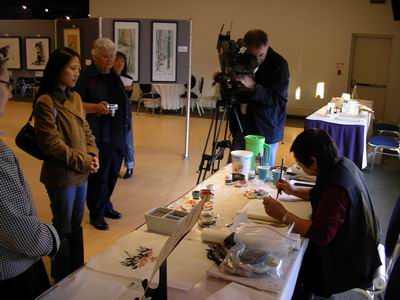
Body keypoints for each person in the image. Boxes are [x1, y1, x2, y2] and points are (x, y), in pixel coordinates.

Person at [263, 128, 381, 298]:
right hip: (361, 246)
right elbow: (321, 193)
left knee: (290, 260)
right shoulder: (343, 164)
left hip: (347, 263)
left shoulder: (336, 188)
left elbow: (321, 234)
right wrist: (293, 190)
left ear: (313, 161)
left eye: (299, 163)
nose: (298, 166)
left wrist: (283, 214)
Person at [34, 47, 99, 281]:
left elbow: (86, 130)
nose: (76, 73)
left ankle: (75, 267)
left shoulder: (76, 97)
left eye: (79, 69)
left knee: (76, 222)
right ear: (57, 69)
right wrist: (84, 160)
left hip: (80, 173)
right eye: (72, 68)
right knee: (62, 224)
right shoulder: (45, 101)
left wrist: (93, 153)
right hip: (61, 176)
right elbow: (51, 144)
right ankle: (61, 275)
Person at [0, 46, 60, 299]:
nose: (10, 93)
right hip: (12, 276)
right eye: (6, 83)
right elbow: (20, 232)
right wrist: (51, 238)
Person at [76, 38, 130, 230]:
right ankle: (96, 213)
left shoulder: (114, 76)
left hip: (117, 134)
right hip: (97, 135)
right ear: (95, 56)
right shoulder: (86, 77)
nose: (109, 60)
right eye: (105, 57)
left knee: (113, 173)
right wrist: (96, 108)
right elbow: (75, 105)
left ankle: (106, 205)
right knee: (99, 177)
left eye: (112, 56)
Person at [231, 29, 289, 166]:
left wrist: (254, 86)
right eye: (253, 55)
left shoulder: (279, 64)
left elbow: (278, 100)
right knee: (238, 171)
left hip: (266, 128)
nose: (257, 59)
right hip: (242, 125)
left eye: (261, 55)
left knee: (262, 175)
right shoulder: (242, 59)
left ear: (267, 45)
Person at [113, 51, 135, 179]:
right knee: (115, 142)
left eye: (122, 61)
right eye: (117, 60)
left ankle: (130, 167)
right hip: (111, 112)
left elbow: (127, 98)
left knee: (127, 141)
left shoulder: (128, 79)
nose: (119, 63)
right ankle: (114, 167)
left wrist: (129, 91)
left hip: (125, 113)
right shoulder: (108, 77)